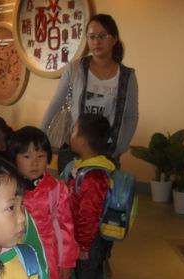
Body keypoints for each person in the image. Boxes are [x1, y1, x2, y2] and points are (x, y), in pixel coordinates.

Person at [41, 13, 138, 167]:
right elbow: (57, 102)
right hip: (74, 150)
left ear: (114, 39)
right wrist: (41, 132)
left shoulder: (127, 76)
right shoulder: (75, 68)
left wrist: (121, 146)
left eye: (102, 36)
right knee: (70, 183)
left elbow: (131, 116)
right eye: (92, 37)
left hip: (107, 151)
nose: (96, 42)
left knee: (101, 184)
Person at [64, 113, 120, 279]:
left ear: (83, 142)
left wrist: (84, 245)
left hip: (90, 240)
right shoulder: (85, 167)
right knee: (82, 278)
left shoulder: (93, 176)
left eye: (74, 131)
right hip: (83, 237)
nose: (70, 134)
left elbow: (89, 215)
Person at [9, 127, 79, 279]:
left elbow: (65, 229)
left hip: (47, 255)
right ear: (14, 158)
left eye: (40, 156)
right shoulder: (8, 188)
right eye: (27, 156)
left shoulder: (56, 189)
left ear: (48, 157)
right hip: (14, 250)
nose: (34, 163)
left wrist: (65, 262)